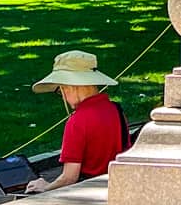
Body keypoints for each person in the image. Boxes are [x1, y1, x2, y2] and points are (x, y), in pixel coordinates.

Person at [26, 48, 128, 193]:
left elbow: (69, 178)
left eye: (60, 91)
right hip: (114, 188)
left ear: (69, 87)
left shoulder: (77, 121)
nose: (62, 96)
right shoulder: (116, 109)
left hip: (86, 191)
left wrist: (46, 187)